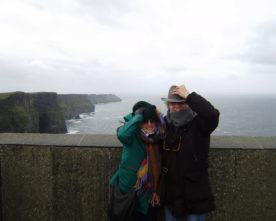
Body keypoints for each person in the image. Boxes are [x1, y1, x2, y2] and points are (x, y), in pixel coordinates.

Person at [160, 85, 220, 221]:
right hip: (172, 196)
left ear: (188, 103)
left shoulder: (199, 124)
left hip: (195, 195)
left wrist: (189, 95)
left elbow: (212, 114)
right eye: (172, 103)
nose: (177, 106)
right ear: (168, 104)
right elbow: (145, 127)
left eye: (181, 103)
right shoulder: (165, 125)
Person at [110, 101, 166, 221]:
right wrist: (138, 116)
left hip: (150, 195)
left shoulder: (160, 137)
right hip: (130, 194)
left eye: (152, 120)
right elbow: (122, 135)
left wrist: (158, 192)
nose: (149, 124)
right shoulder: (132, 135)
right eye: (145, 121)